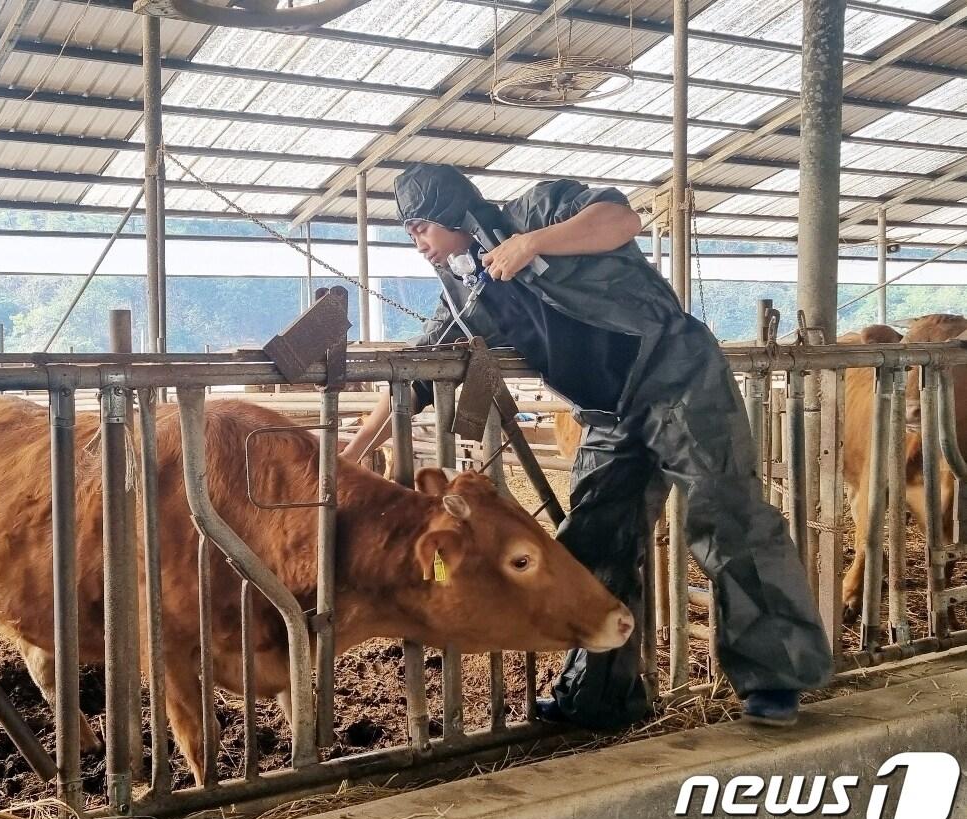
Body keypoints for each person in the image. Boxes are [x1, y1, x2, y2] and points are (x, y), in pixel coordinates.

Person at [341, 163, 831, 729]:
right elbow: (420, 376)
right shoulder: (464, 291)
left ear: (448, 212)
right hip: (607, 411)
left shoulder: (538, 209)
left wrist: (532, 244)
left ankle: (775, 680)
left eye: (419, 229)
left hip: (676, 378)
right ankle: (598, 695)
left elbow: (620, 219)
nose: (419, 245)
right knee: (593, 538)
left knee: (727, 517)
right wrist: (348, 461)